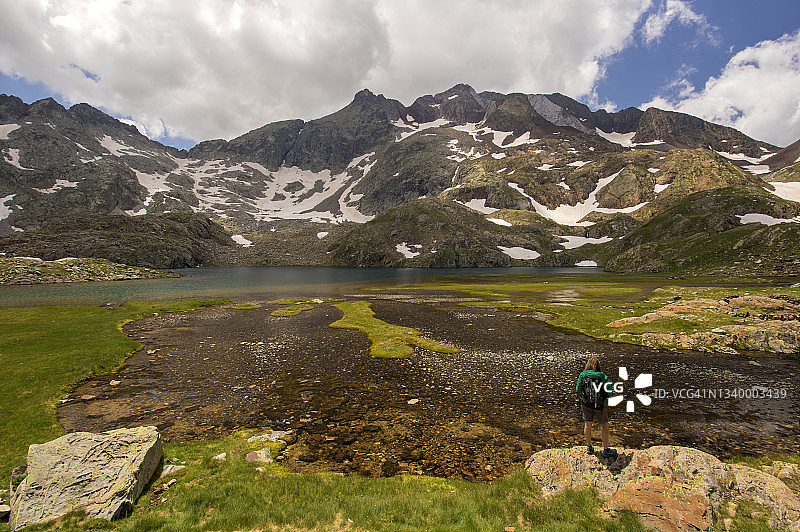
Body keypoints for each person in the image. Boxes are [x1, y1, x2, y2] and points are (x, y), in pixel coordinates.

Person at [576, 356, 617, 458]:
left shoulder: (583, 375)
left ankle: (589, 447)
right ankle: (606, 449)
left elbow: (578, 389)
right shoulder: (603, 376)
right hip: (600, 405)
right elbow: (609, 393)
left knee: (587, 425)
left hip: (586, 404)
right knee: (604, 426)